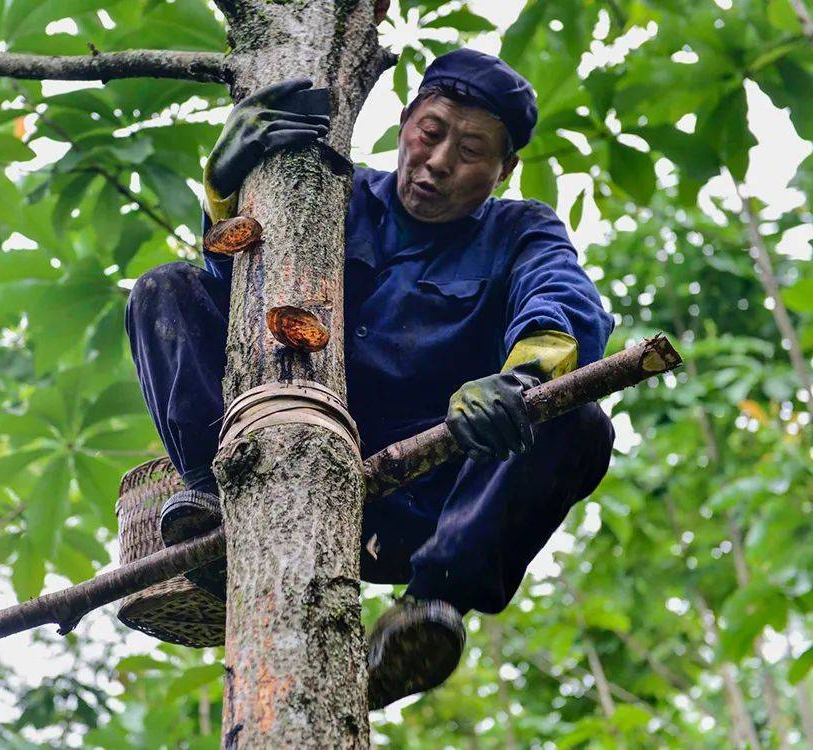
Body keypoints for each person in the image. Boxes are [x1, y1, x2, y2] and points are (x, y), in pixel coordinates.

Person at [125, 49, 616, 710]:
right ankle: (215, 504)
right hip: (274, 452)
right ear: (407, 120)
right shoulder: (336, 191)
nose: (439, 161)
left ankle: (429, 609)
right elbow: (232, 289)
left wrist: (520, 382)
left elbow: (562, 305)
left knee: (578, 420)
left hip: (423, 495)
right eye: (432, 132)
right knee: (164, 289)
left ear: (506, 170)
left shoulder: (519, 230)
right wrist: (224, 185)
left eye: (471, 150)